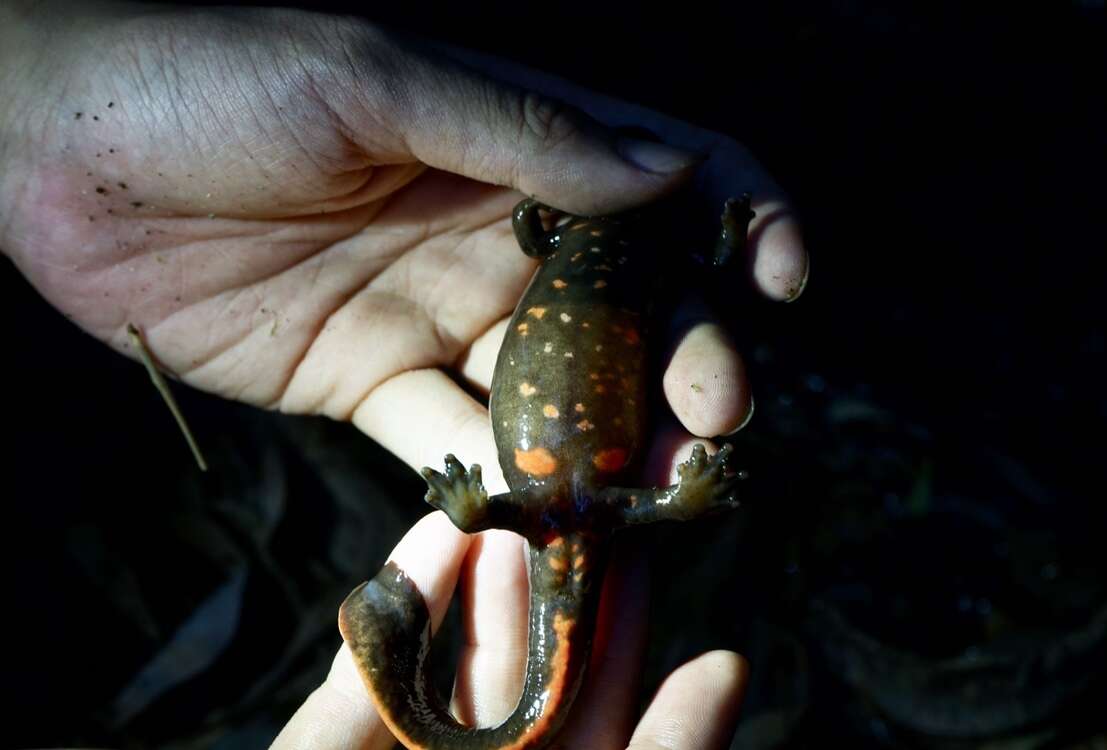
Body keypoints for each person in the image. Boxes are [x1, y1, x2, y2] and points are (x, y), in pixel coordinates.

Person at [0, 1, 808, 747]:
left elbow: (651, 249)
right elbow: (541, 225)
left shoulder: (648, 250)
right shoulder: (606, 239)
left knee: (580, 534)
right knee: (595, 528)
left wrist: (479, 507)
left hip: (545, 491)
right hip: (582, 490)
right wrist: (677, 499)